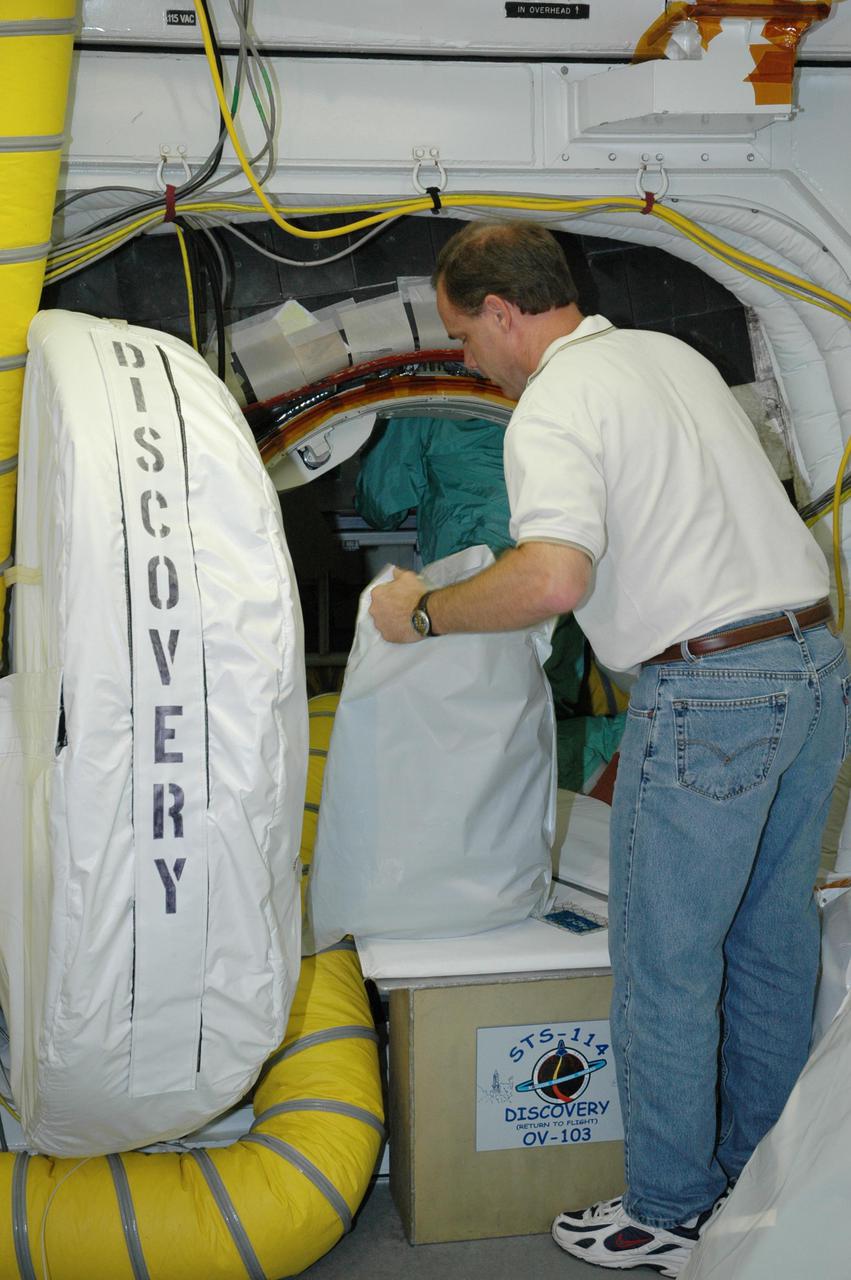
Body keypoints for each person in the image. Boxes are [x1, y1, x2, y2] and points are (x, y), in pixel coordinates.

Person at [369, 220, 848, 1277]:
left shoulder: (550, 403)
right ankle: (751, 1183)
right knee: (766, 942)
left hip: (714, 685)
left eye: (460, 334)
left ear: (502, 313)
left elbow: (552, 579)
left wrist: (428, 612)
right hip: (813, 666)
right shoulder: (667, 356)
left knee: (665, 964)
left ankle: (668, 1211)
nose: (463, 358)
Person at [355, 412, 625, 790]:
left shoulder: (430, 400)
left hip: (469, 604)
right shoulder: (554, 398)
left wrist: (384, 426)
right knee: (541, 717)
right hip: (557, 595)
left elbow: (379, 502)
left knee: (479, 736)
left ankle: (624, 748)